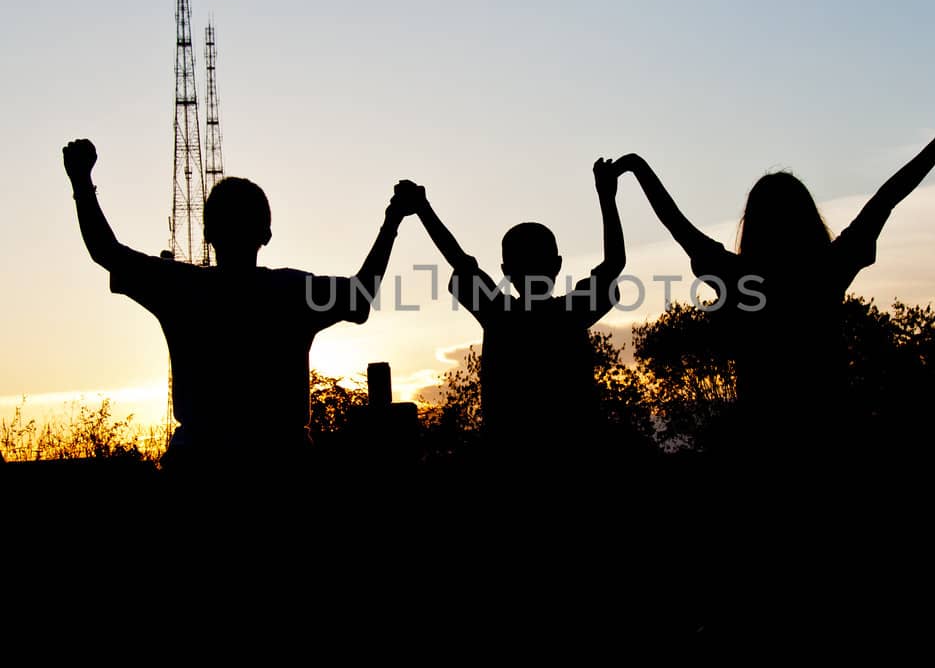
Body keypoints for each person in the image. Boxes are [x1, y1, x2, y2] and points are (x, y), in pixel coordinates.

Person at [62, 138, 420, 465]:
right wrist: (391, 222)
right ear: (265, 233)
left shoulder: (182, 289)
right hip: (281, 461)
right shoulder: (292, 291)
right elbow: (361, 295)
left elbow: (107, 252)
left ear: (208, 234)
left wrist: (82, 182)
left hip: (200, 463)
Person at [616, 107, 935, 421]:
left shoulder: (741, 279)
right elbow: (886, 198)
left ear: (752, 225)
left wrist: (636, 167)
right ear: (808, 219)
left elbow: (677, 225)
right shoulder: (827, 270)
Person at [410, 159, 626, 458]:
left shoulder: (499, 315)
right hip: (576, 450)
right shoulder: (571, 313)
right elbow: (614, 263)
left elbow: (459, 260)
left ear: (506, 271)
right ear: (557, 265)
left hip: (509, 454)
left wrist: (423, 209)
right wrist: (606, 197)